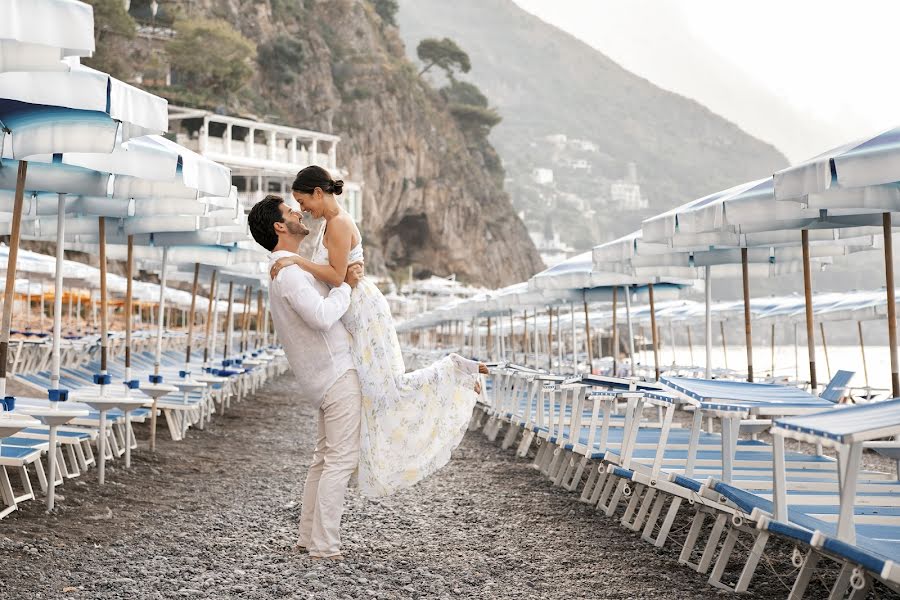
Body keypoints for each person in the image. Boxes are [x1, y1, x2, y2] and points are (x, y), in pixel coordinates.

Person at [260, 165, 488, 499]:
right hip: (350, 309)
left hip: (361, 311)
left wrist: (297, 262)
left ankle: (455, 371)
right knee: (379, 392)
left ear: (318, 193)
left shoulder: (337, 224)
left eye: (302, 199)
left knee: (389, 388)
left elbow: (337, 277)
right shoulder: (327, 225)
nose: (302, 208)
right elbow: (336, 277)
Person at [248, 196, 363, 561]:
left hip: (322, 376)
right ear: (280, 227)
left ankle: (308, 537)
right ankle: (325, 545)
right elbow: (321, 316)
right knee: (340, 460)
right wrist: (347, 285)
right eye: (290, 210)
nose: (299, 212)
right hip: (335, 373)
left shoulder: (288, 268)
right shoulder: (291, 273)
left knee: (323, 458)